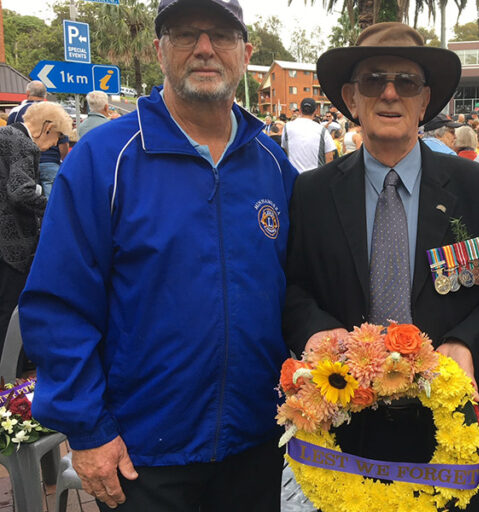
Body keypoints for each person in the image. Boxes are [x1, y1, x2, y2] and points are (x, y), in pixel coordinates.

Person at [19, 0, 298, 510]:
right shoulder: (105, 159)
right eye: (187, 34)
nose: (205, 49)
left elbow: (297, 292)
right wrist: (88, 430)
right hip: (139, 456)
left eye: (221, 35)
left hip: (256, 446)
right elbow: (58, 305)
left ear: (245, 52)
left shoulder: (273, 166)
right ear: (159, 50)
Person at [284, 22, 479, 512]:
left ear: (425, 100)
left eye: (405, 81)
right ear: (351, 97)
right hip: (344, 427)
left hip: (448, 427)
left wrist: (465, 343)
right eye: (372, 81)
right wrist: (319, 332)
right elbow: (295, 287)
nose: (389, 93)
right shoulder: (313, 193)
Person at [0, 102, 71, 349]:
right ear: (46, 127)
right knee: (8, 310)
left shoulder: (5, 134)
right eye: (57, 137)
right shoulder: (24, 144)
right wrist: (54, 206)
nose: (54, 145)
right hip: (11, 242)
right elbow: (21, 191)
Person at [8, 81, 69, 198]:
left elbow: (11, 139)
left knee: (27, 196)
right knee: (53, 200)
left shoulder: (16, 112)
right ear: (45, 95)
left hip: (24, 164)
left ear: (27, 93)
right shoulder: (54, 111)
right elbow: (63, 143)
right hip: (50, 162)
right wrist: (63, 161)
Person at [282, 97, 335, 172]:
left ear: (300, 110)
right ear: (315, 111)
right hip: (315, 177)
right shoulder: (322, 130)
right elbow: (329, 157)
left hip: (294, 176)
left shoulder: (287, 127)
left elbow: (286, 148)